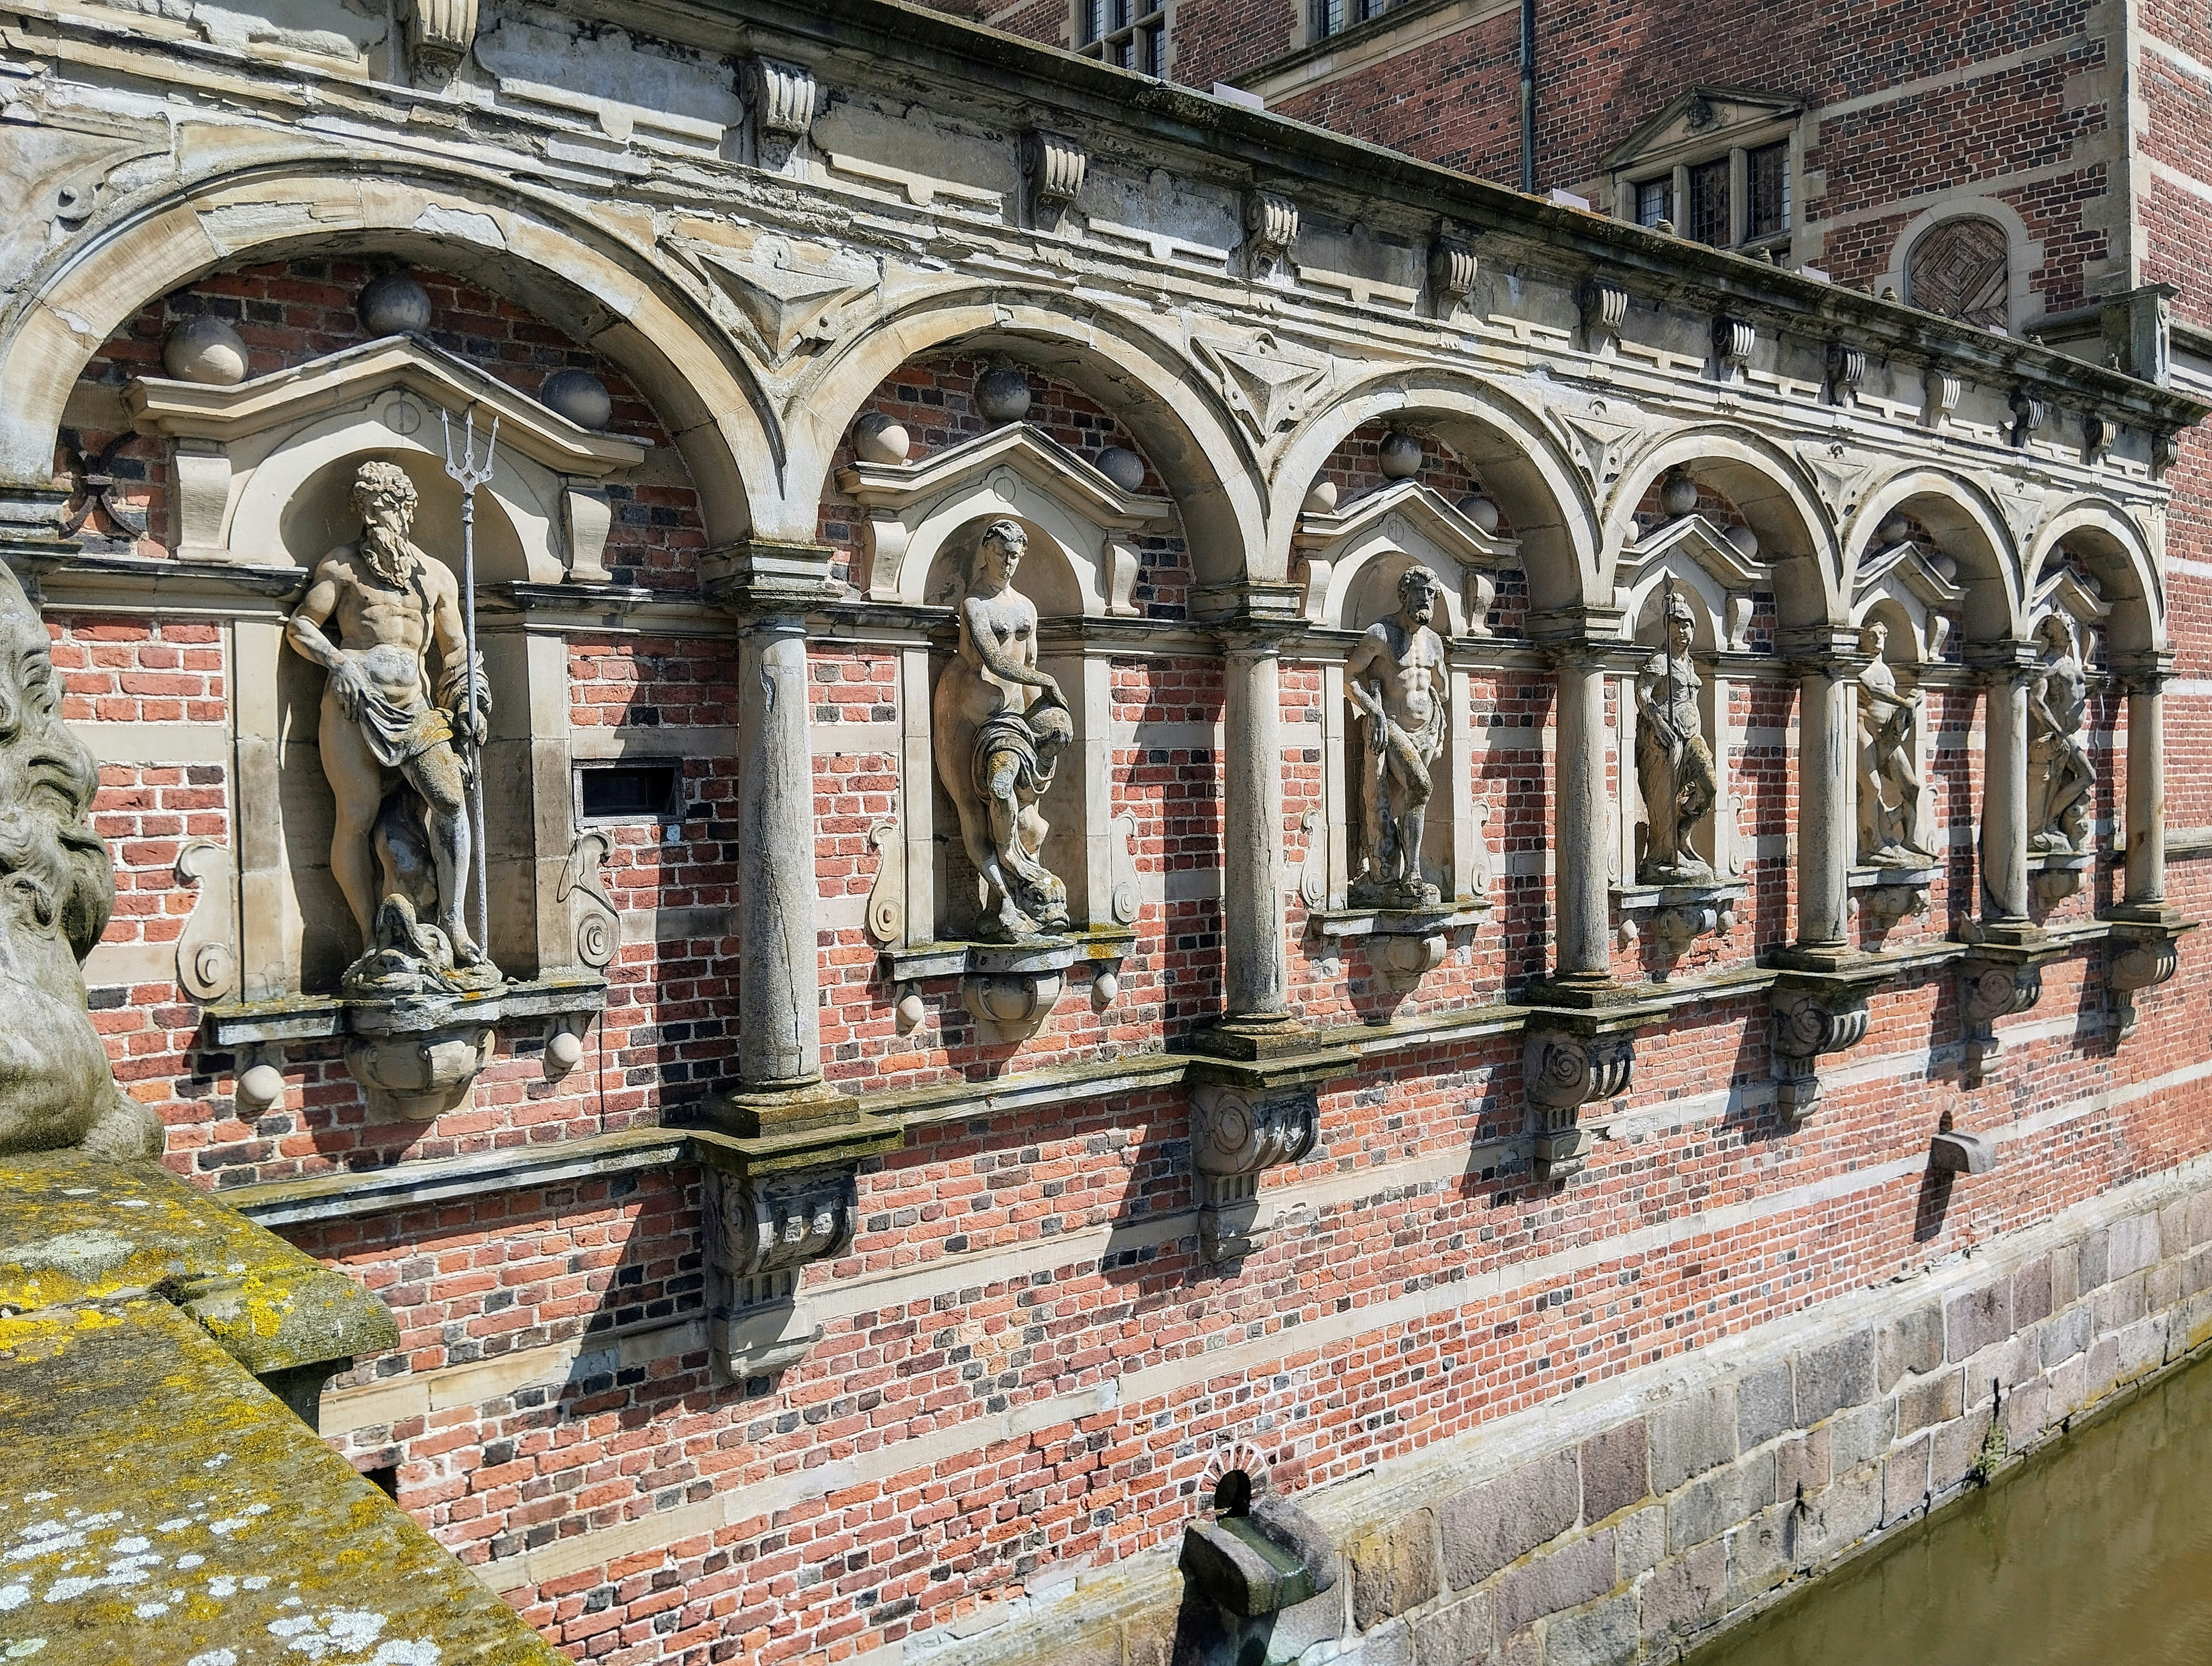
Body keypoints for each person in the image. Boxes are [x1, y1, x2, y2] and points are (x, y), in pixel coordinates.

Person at [285, 460, 495, 987]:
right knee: (355, 815)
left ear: (406, 511)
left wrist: (469, 699)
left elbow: (456, 654)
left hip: (417, 709)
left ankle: (453, 923)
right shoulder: (342, 566)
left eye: (386, 507)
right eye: (368, 508)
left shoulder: (436, 576)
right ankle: (369, 937)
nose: (377, 518)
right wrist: (339, 662)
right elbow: (301, 627)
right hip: (355, 707)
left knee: (450, 801)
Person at [931, 519, 1072, 941]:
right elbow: (993, 660)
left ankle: (1009, 902)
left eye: (1015, 555)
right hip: (965, 714)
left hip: (1012, 718)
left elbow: (1027, 666)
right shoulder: (975, 605)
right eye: (1002, 554)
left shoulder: (1027, 607)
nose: (1009, 562)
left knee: (1029, 821)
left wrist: (1045, 718)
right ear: (987, 552)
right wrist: (1047, 683)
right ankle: (1007, 893)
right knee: (977, 813)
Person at [1344, 565, 1449, 907]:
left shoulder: (1434, 641)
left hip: (1426, 734)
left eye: (1432, 593)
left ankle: (1406, 870)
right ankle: (1413, 872)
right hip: (1391, 728)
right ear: (1404, 595)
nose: (1427, 599)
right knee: (1421, 787)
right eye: (1421, 592)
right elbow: (1350, 676)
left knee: (1408, 799)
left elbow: (1443, 691)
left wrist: (1438, 686)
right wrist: (1373, 712)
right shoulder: (1381, 634)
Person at [1635, 590, 1716, 882]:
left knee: (1709, 785)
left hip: (1691, 734)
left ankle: (1682, 836)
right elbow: (1642, 693)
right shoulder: (1660, 659)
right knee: (1663, 798)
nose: (1684, 631)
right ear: (1667, 628)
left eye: (1689, 625)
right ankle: (1664, 854)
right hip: (1666, 739)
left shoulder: (1689, 662)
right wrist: (1658, 723)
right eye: (1678, 625)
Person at [1855, 619, 1932, 866]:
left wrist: (1907, 713)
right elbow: (1872, 692)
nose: (1878, 640)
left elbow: (1893, 703)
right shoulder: (1859, 666)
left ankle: (1907, 838)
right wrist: (1905, 702)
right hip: (1864, 731)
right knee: (1873, 789)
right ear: (1861, 638)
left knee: (1912, 787)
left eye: (1881, 635)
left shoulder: (1886, 670)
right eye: (1872, 636)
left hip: (1889, 736)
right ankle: (1873, 844)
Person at [2028, 613, 2093, 853]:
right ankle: (2046, 824)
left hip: (2069, 735)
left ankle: (2051, 820)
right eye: (2064, 628)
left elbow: (2075, 694)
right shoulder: (2048, 665)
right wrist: (2057, 732)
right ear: (2052, 634)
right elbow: (2036, 701)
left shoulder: (2070, 663)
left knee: (2088, 776)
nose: (2068, 632)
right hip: (2056, 737)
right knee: (2058, 780)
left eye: (2070, 627)